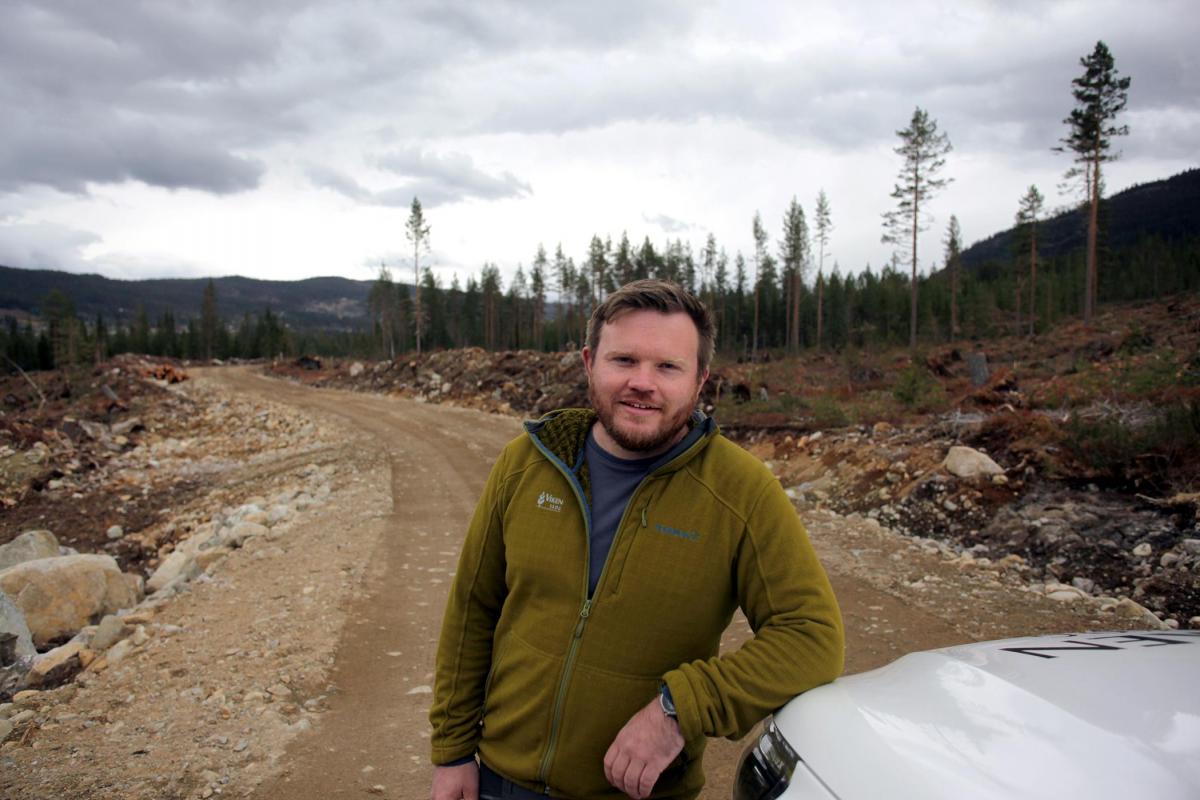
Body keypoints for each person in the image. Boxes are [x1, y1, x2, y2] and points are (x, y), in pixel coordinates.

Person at [430, 279, 843, 800]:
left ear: (700, 380)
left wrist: (679, 709)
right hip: (497, 780)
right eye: (623, 360)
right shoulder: (525, 463)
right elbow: (472, 612)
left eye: (667, 366)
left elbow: (813, 635)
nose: (642, 382)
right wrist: (452, 751)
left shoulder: (741, 492)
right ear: (589, 362)